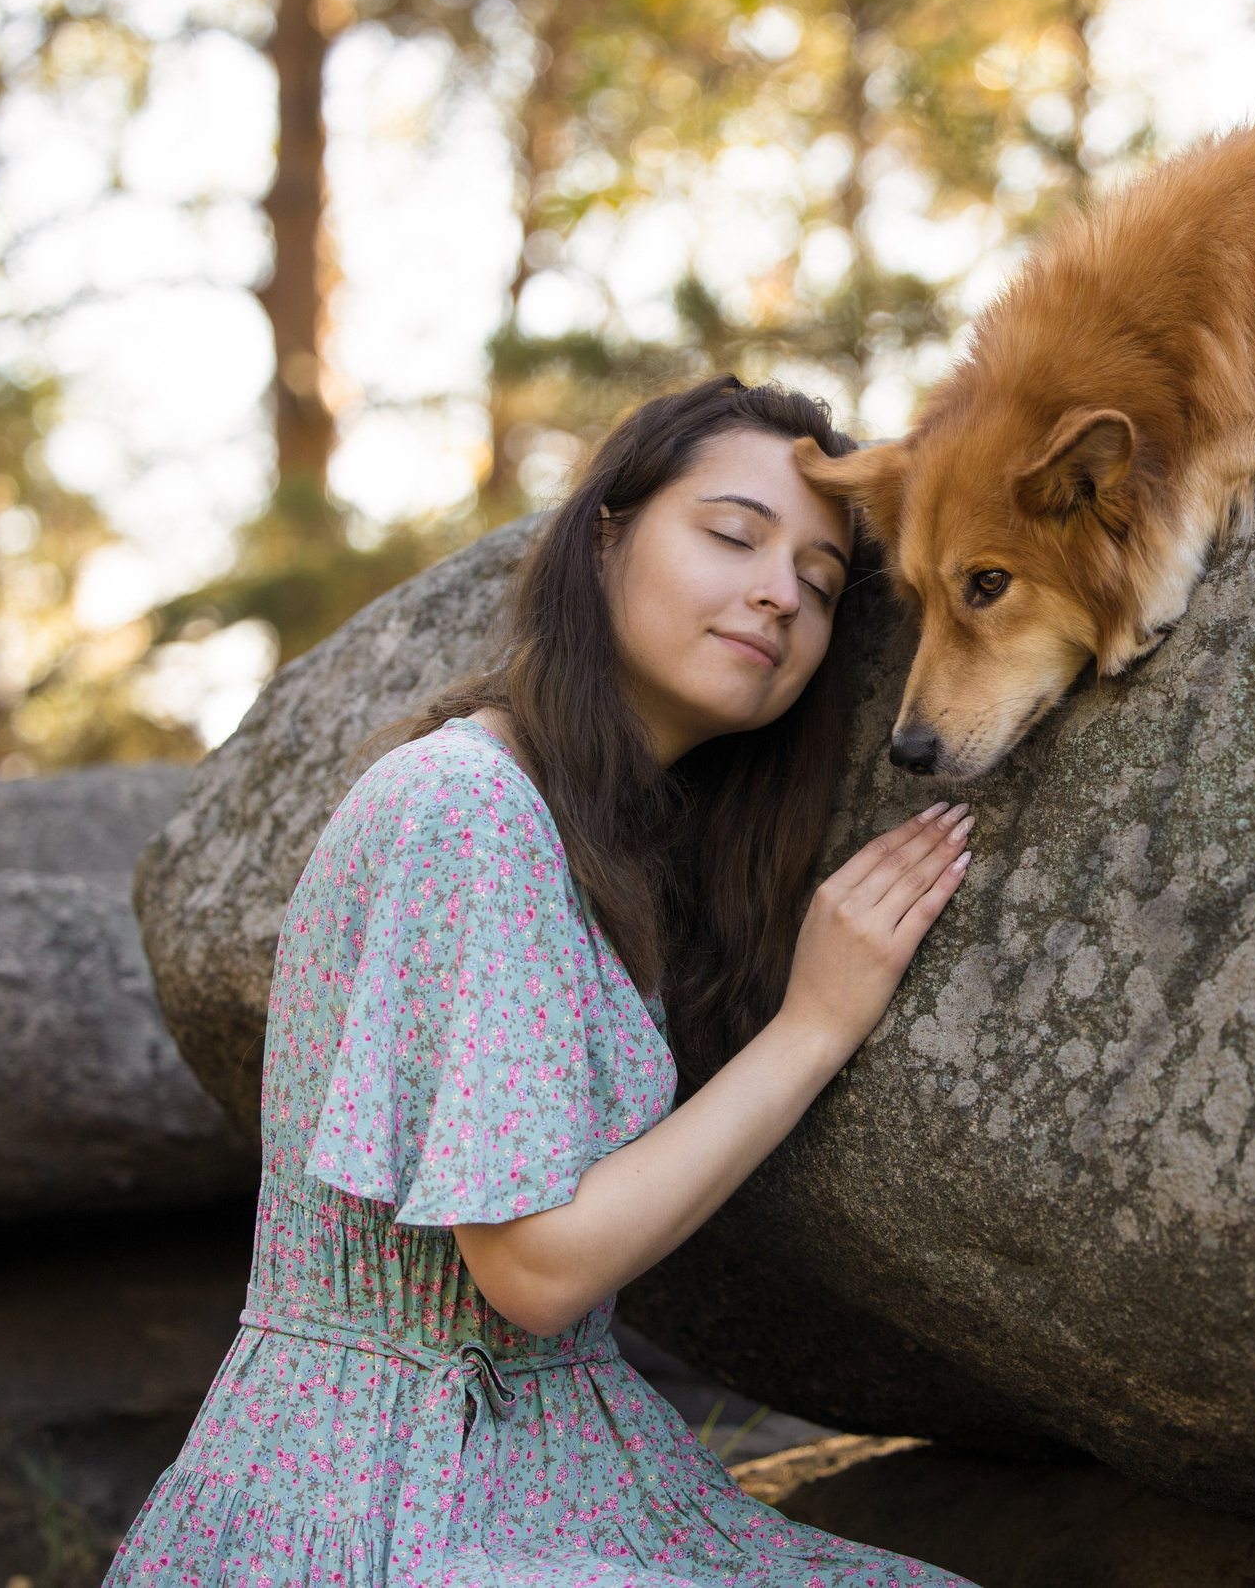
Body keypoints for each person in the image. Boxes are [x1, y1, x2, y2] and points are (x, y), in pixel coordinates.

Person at [106, 376, 977, 1587]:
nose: (780, 591)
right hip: (383, 1488)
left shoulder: (607, 842)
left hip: (546, 1458)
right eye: (731, 535)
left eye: (822, 586)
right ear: (604, 536)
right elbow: (534, 1267)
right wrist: (816, 1024)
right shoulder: (468, 807)